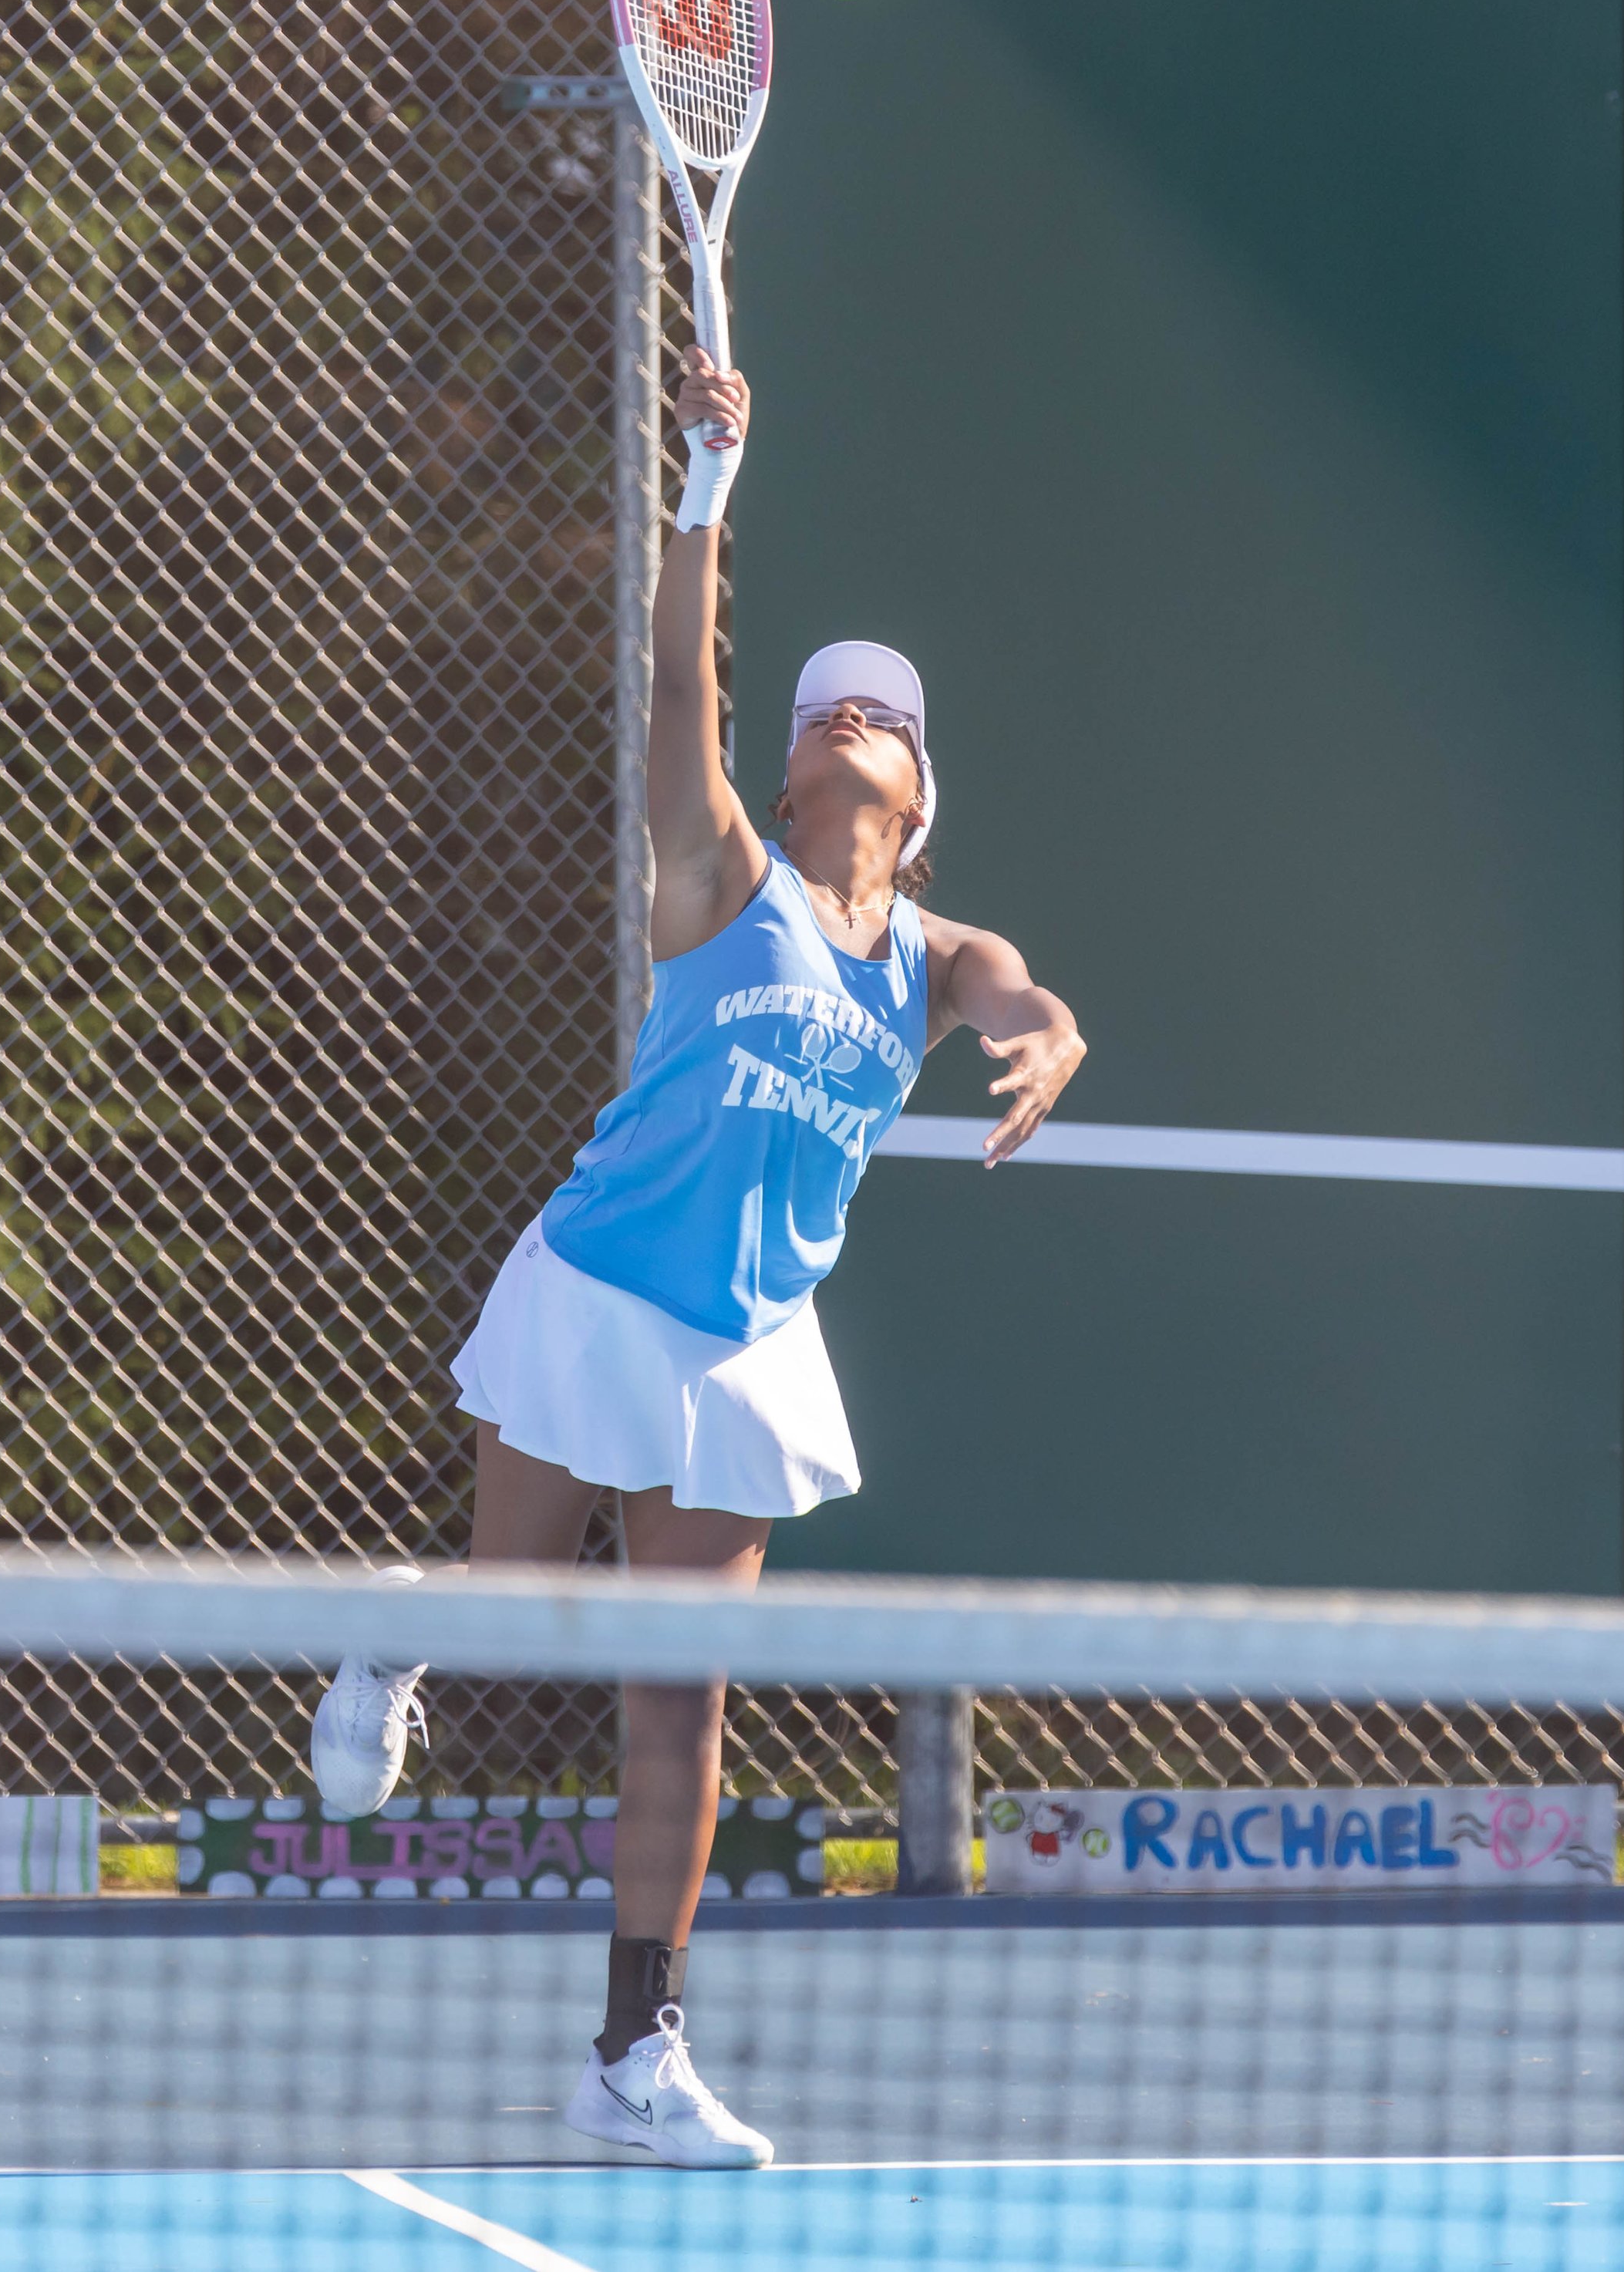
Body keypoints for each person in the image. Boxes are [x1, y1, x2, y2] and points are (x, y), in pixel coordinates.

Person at [311, 348, 1085, 2168]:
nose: (839, 724)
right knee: (510, 1624)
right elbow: (678, 687)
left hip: (745, 1338)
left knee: (683, 1697)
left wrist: (1054, 1031)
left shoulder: (925, 948)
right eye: (822, 710)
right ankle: (387, 1640)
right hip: (598, 1289)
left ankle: (633, 2050)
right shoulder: (718, 866)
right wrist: (698, 496)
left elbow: (1007, 985)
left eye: (872, 718)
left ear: (914, 786)